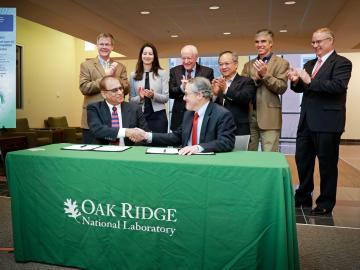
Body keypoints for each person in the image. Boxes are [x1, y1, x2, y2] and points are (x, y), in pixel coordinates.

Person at [287, 27, 352, 215]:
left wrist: (309, 80)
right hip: (306, 121)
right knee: (303, 161)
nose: (315, 45)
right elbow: (301, 89)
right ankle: (303, 197)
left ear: (330, 40)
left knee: (327, 165)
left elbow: (338, 87)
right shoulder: (309, 64)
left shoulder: (342, 63)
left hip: (328, 122)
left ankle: (325, 203)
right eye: (313, 42)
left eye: (319, 41)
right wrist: (295, 81)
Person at [132, 77, 236, 155]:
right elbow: (176, 137)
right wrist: (146, 135)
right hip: (185, 160)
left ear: (199, 95)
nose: (184, 98)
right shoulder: (189, 114)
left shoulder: (222, 114)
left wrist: (199, 148)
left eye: (186, 94)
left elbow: (226, 142)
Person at [241, 29, 289, 152]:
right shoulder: (248, 65)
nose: (259, 44)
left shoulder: (281, 63)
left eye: (263, 41)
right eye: (257, 42)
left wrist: (265, 75)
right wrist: (256, 79)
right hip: (250, 115)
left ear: (271, 43)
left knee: (269, 156)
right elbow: (242, 87)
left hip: (270, 116)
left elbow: (281, 87)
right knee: (249, 154)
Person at [79, 33, 130, 143]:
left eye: (107, 44)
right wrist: (104, 77)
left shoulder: (120, 67)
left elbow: (126, 89)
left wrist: (113, 79)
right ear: (97, 46)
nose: (104, 47)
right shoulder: (86, 65)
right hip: (93, 119)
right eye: (101, 44)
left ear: (112, 47)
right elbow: (84, 88)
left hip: (115, 117)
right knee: (91, 155)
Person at [87, 76, 148, 146]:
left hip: (129, 152)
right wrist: (126, 132)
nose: (120, 92)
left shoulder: (135, 109)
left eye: (120, 88)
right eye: (114, 90)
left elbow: (145, 134)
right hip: (104, 152)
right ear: (104, 94)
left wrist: (137, 142)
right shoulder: (94, 108)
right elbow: (98, 130)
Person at [169, 45, 214, 131]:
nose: (186, 61)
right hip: (179, 117)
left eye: (189, 58)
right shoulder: (174, 71)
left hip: (199, 115)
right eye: (183, 58)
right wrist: (182, 87)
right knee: (177, 142)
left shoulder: (207, 72)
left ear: (196, 58)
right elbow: (170, 93)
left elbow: (208, 95)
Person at [212, 51, 256, 138]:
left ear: (236, 65)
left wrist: (226, 90)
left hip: (238, 129)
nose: (223, 67)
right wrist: (214, 94)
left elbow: (245, 99)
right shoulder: (217, 82)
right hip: (218, 130)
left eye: (226, 64)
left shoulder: (246, 81)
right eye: (220, 64)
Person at [130, 43, 169, 133]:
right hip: (140, 116)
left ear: (154, 56)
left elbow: (165, 98)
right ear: (141, 55)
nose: (147, 56)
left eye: (150, 54)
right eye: (145, 53)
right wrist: (140, 97)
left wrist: (153, 95)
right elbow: (131, 100)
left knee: (159, 144)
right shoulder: (133, 75)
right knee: (141, 145)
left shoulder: (162, 73)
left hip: (158, 116)